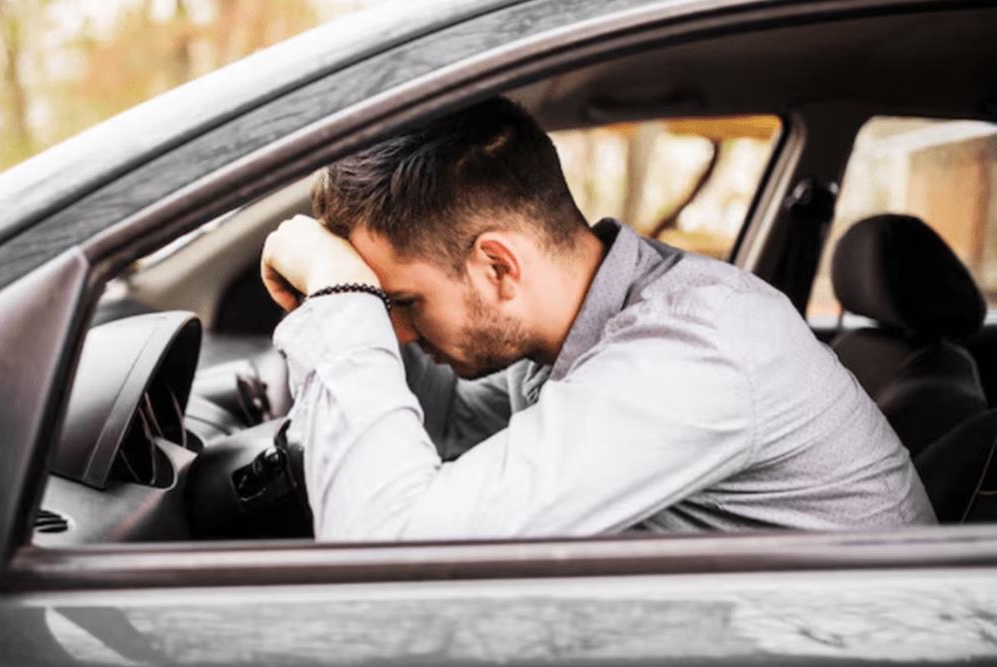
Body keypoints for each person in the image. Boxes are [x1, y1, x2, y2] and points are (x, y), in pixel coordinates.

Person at [259, 96, 935, 541]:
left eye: (404, 303)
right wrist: (346, 293)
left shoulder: (694, 349)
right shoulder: (574, 327)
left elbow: (385, 551)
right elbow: (444, 423)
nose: (398, 332)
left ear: (498, 267)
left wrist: (342, 301)